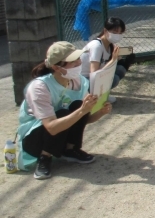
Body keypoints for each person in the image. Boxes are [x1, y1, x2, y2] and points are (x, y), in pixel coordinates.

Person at [15, 41, 113, 180]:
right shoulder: (39, 87)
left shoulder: (78, 80)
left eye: (78, 58)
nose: (79, 63)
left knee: (78, 105)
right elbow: (51, 127)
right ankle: (44, 157)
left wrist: (100, 112)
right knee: (63, 112)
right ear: (57, 67)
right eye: (73, 61)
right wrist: (82, 111)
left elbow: (85, 117)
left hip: (60, 131)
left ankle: (70, 149)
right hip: (35, 138)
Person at [81, 17, 128, 102]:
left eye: (120, 33)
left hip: (91, 78)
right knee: (114, 79)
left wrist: (116, 59)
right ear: (105, 31)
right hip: (83, 81)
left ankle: (102, 95)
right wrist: (113, 60)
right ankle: (94, 97)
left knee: (120, 69)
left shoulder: (110, 45)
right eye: (114, 32)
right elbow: (94, 73)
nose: (117, 35)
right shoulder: (97, 46)